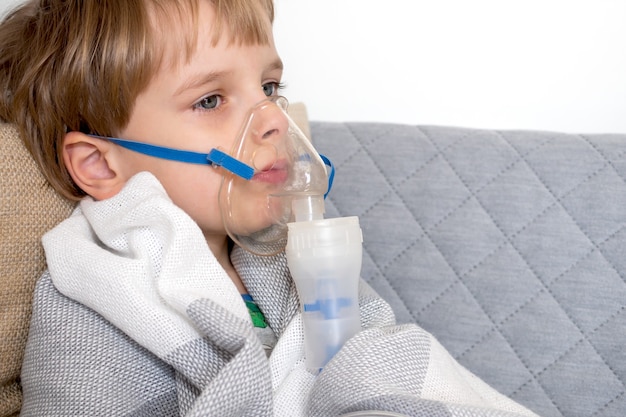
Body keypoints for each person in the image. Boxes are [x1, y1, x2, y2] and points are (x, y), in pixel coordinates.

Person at [0, 1, 539, 416]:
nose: (274, 119)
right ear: (99, 165)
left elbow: (376, 359)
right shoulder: (93, 301)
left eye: (269, 86)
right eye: (210, 99)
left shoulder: (290, 255)